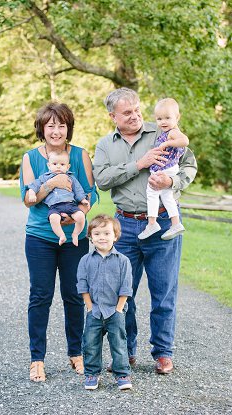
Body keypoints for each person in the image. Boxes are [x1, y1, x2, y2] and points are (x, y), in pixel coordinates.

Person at [92, 87, 197, 374]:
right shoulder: (105, 145)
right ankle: (125, 352)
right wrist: (139, 164)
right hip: (123, 227)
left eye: (138, 109)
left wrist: (172, 184)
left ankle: (163, 353)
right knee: (121, 293)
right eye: (127, 112)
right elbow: (101, 179)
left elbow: (189, 164)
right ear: (112, 116)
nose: (136, 115)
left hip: (163, 222)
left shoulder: (162, 132)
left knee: (164, 292)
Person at [19, 102, 97, 382]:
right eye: (50, 125)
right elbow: (30, 200)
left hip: (74, 238)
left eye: (61, 125)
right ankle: (36, 359)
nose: (56, 130)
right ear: (42, 128)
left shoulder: (80, 155)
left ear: (68, 128)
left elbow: (90, 194)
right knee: (40, 296)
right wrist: (52, 184)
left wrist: (79, 215)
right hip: (40, 236)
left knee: (74, 296)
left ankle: (76, 354)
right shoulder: (31, 158)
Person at [77, 215, 133, 391]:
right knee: (90, 343)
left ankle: (122, 374)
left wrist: (118, 309)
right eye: (97, 233)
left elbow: (126, 287)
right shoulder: (86, 260)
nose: (102, 237)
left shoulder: (123, 261)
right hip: (94, 311)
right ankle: (92, 374)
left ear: (115, 236)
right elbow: (82, 285)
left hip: (114, 311)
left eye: (107, 233)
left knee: (119, 343)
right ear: (91, 237)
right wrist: (89, 306)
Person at [138, 98, 190, 240]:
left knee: (152, 192)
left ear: (177, 117)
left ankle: (152, 223)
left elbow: (185, 141)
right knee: (167, 196)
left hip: (166, 169)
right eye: (159, 119)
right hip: (168, 168)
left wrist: (167, 142)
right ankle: (176, 223)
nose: (163, 122)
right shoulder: (167, 132)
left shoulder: (172, 133)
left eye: (168, 118)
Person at [25, 150, 90, 246]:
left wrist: (83, 199)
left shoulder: (70, 177)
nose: (58, 166)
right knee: (53, 218)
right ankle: (61, 235)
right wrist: (31, 194)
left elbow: (78, 189)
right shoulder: (45, 177)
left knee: (80, 216)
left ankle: (75, 234)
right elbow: (34, 186)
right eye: (55, 164)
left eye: (62, 164)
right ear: (49, 165)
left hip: (70, 204)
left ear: (68, 167)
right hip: (54, 206)